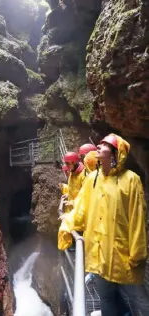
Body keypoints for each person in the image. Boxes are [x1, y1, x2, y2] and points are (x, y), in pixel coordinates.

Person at [58, 134, 149, 316]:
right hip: (99, 253)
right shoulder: (94, 179)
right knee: (106, 298)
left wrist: (137, 254)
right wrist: (68, 222)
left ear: (115, 153)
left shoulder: (131, 180)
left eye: (105, 144)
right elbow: (82, 207)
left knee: (139, 299)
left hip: (124, 255)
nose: (98, 146)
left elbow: (138, 218)